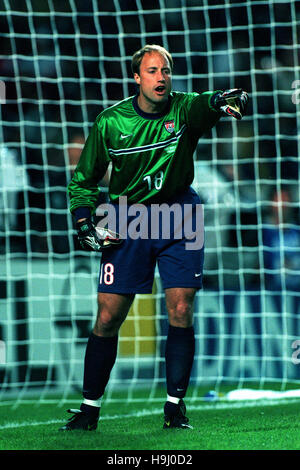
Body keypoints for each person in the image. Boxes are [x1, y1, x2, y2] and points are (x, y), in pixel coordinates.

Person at [60, 44, 248, 431]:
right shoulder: (110, 122)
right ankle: (88, 410)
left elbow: (207, 103)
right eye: (151, 71)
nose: (161, 77)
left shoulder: (183, 108)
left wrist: (222, 100)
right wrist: (83, 222)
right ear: (136, 78)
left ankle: (174, 407)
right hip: (127, 217)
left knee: (181, 309)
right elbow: (83, 180)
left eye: (165, 70)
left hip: (182, 216)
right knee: (109, 315)